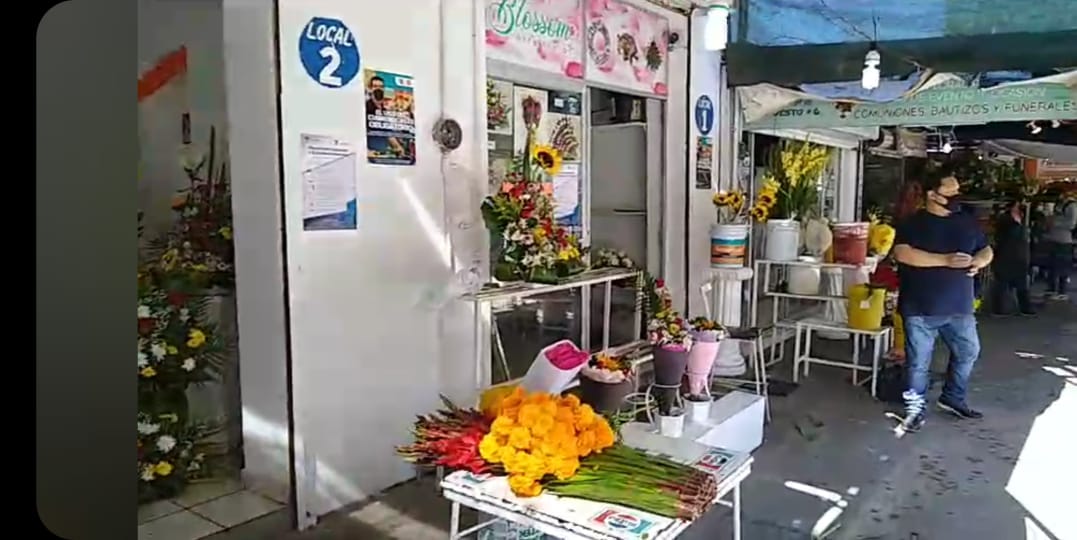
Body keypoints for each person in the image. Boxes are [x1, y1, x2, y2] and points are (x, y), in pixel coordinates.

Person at [892, 166, 993, 432]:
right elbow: (903, 254)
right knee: (918, 364)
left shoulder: (966, 221)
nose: (957, 195)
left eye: (957, 189)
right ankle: (915, 411)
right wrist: (945, 260)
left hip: (960, 306)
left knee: (968, 352)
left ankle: (953, 397)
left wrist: (979, 261)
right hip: (921, 307)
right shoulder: (913, 223)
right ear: (932, 195)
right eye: (951, 191)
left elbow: (986, 249)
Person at [990, 200, 1035, 316]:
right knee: (1009, 283)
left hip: (1012, 255)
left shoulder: (1008, 221)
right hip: (1011, 255)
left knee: (1007, 283)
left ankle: (1003, 308)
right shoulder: (1008, 222)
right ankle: (1009, 308)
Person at [1043, 195, 1077, 301]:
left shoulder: (1071, 205)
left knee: (1062, 267)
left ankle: (1062, 291)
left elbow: (1071, 224)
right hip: (1054, 239)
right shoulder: (1059, 204)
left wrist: (1055, 222)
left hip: (1064, 241)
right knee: (1052, 266)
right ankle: (1052, 289)